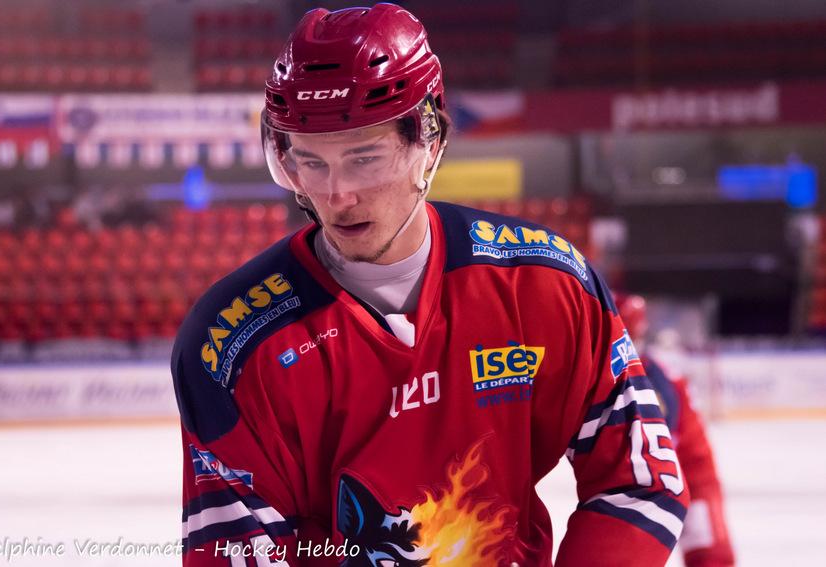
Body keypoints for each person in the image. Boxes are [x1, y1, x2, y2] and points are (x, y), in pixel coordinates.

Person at [172, 4, 689, 566]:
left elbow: (639, 482)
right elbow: (234, 553)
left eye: (364, 158)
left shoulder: (545, 284)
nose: (335, 195)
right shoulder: (232, 345)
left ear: (430, 138)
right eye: (310, 163)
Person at [614, 294, 735, 567]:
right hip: (661, 475)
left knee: (712, 557)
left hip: (690, 475)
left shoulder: (655, 381)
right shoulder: (648, 373)